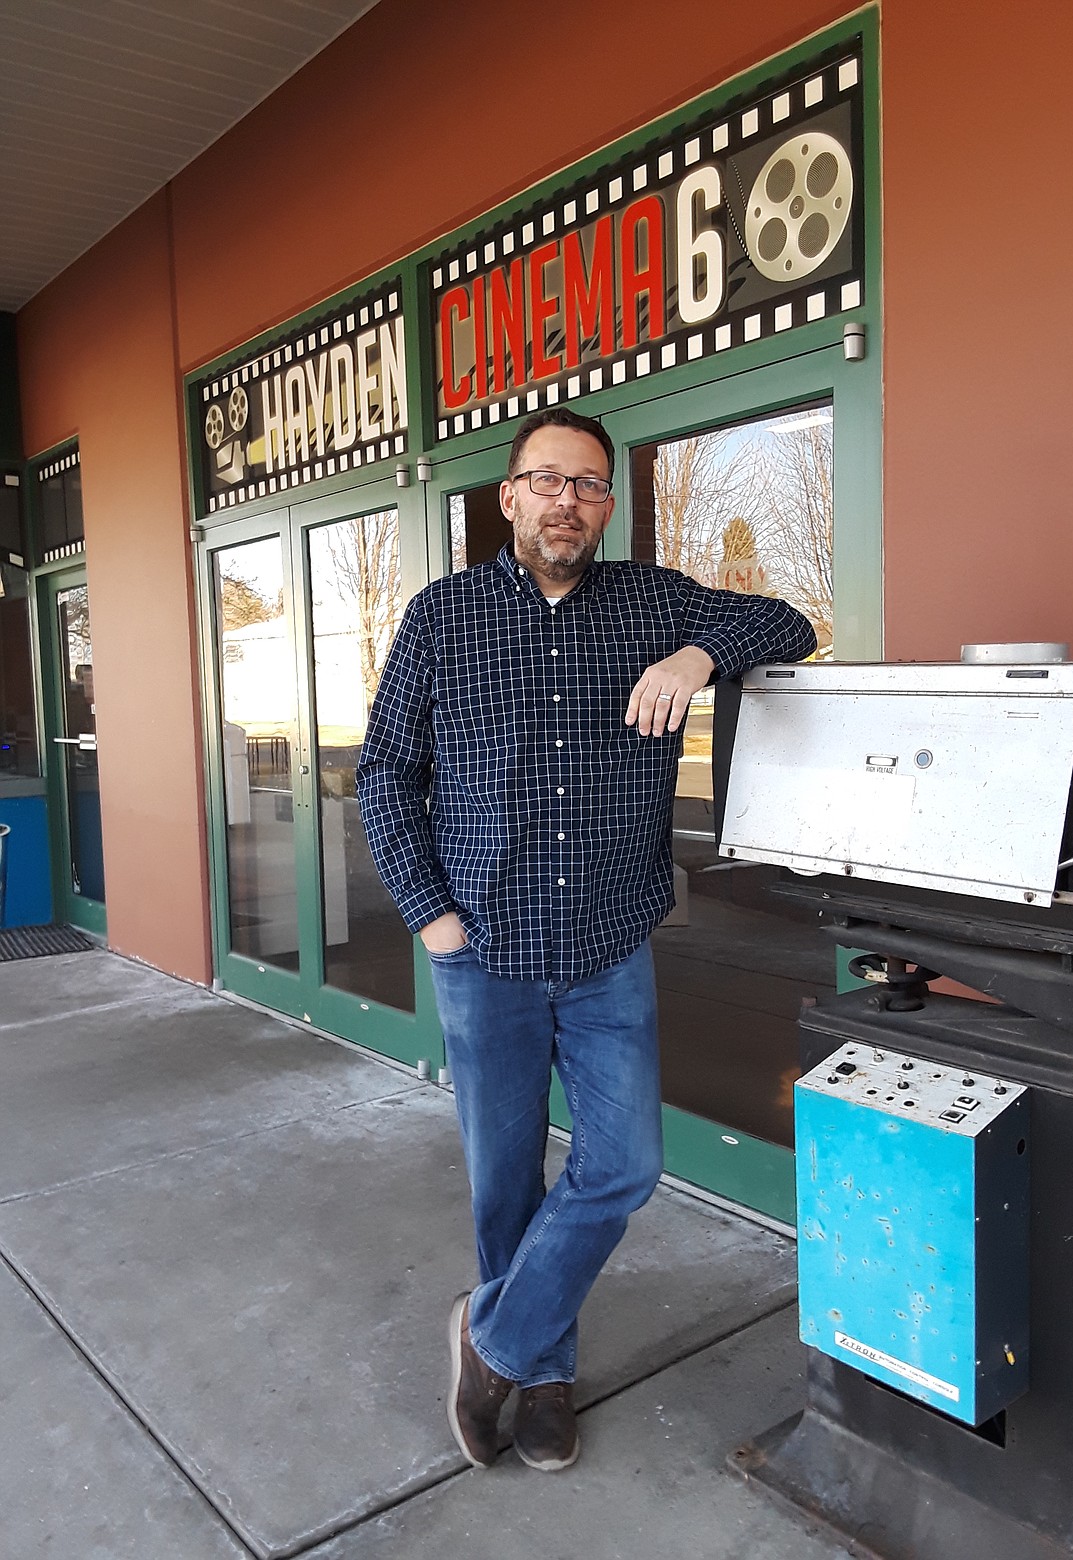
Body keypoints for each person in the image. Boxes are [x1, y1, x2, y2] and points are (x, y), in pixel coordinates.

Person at [356, 407, 815, 1474]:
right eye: (548, 480)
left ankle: (497, 1341)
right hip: (485, 954)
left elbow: (788, 624)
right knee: (506, 1184)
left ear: (607, 504)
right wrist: (430, 914)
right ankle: (546, 1375)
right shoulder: (442, 617)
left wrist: (702, 650)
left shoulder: (654, 602)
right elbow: (385, 773)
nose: (570, 500)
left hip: (610, 945)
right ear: (509, 496)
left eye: (591, 484)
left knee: (624, 1165)